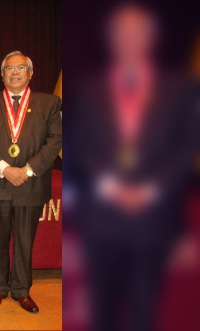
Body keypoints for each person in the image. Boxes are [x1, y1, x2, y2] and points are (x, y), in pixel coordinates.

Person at [66, 5, 199, 330]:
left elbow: (187, 149)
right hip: (100, 224)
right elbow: (80, 146)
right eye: (121, 33)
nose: (129, 40)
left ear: (152, 38)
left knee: (143, 314)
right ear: (110, 39)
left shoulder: (180, 89)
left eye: (137, 32)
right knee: (102, 314)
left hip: (153, 225)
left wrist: (149, 189)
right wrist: (112, 186)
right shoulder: (87, 90)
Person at [0, 51, 62, 313]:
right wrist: (5, 169)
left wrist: (27, 169)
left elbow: (55, 140)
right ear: (1, 75)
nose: (14, 72)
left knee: (25, 239)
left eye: (20, 67)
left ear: (30, 73)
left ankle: (22, 290)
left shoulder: (49, 103)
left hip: (30, 182)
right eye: (9, 68)